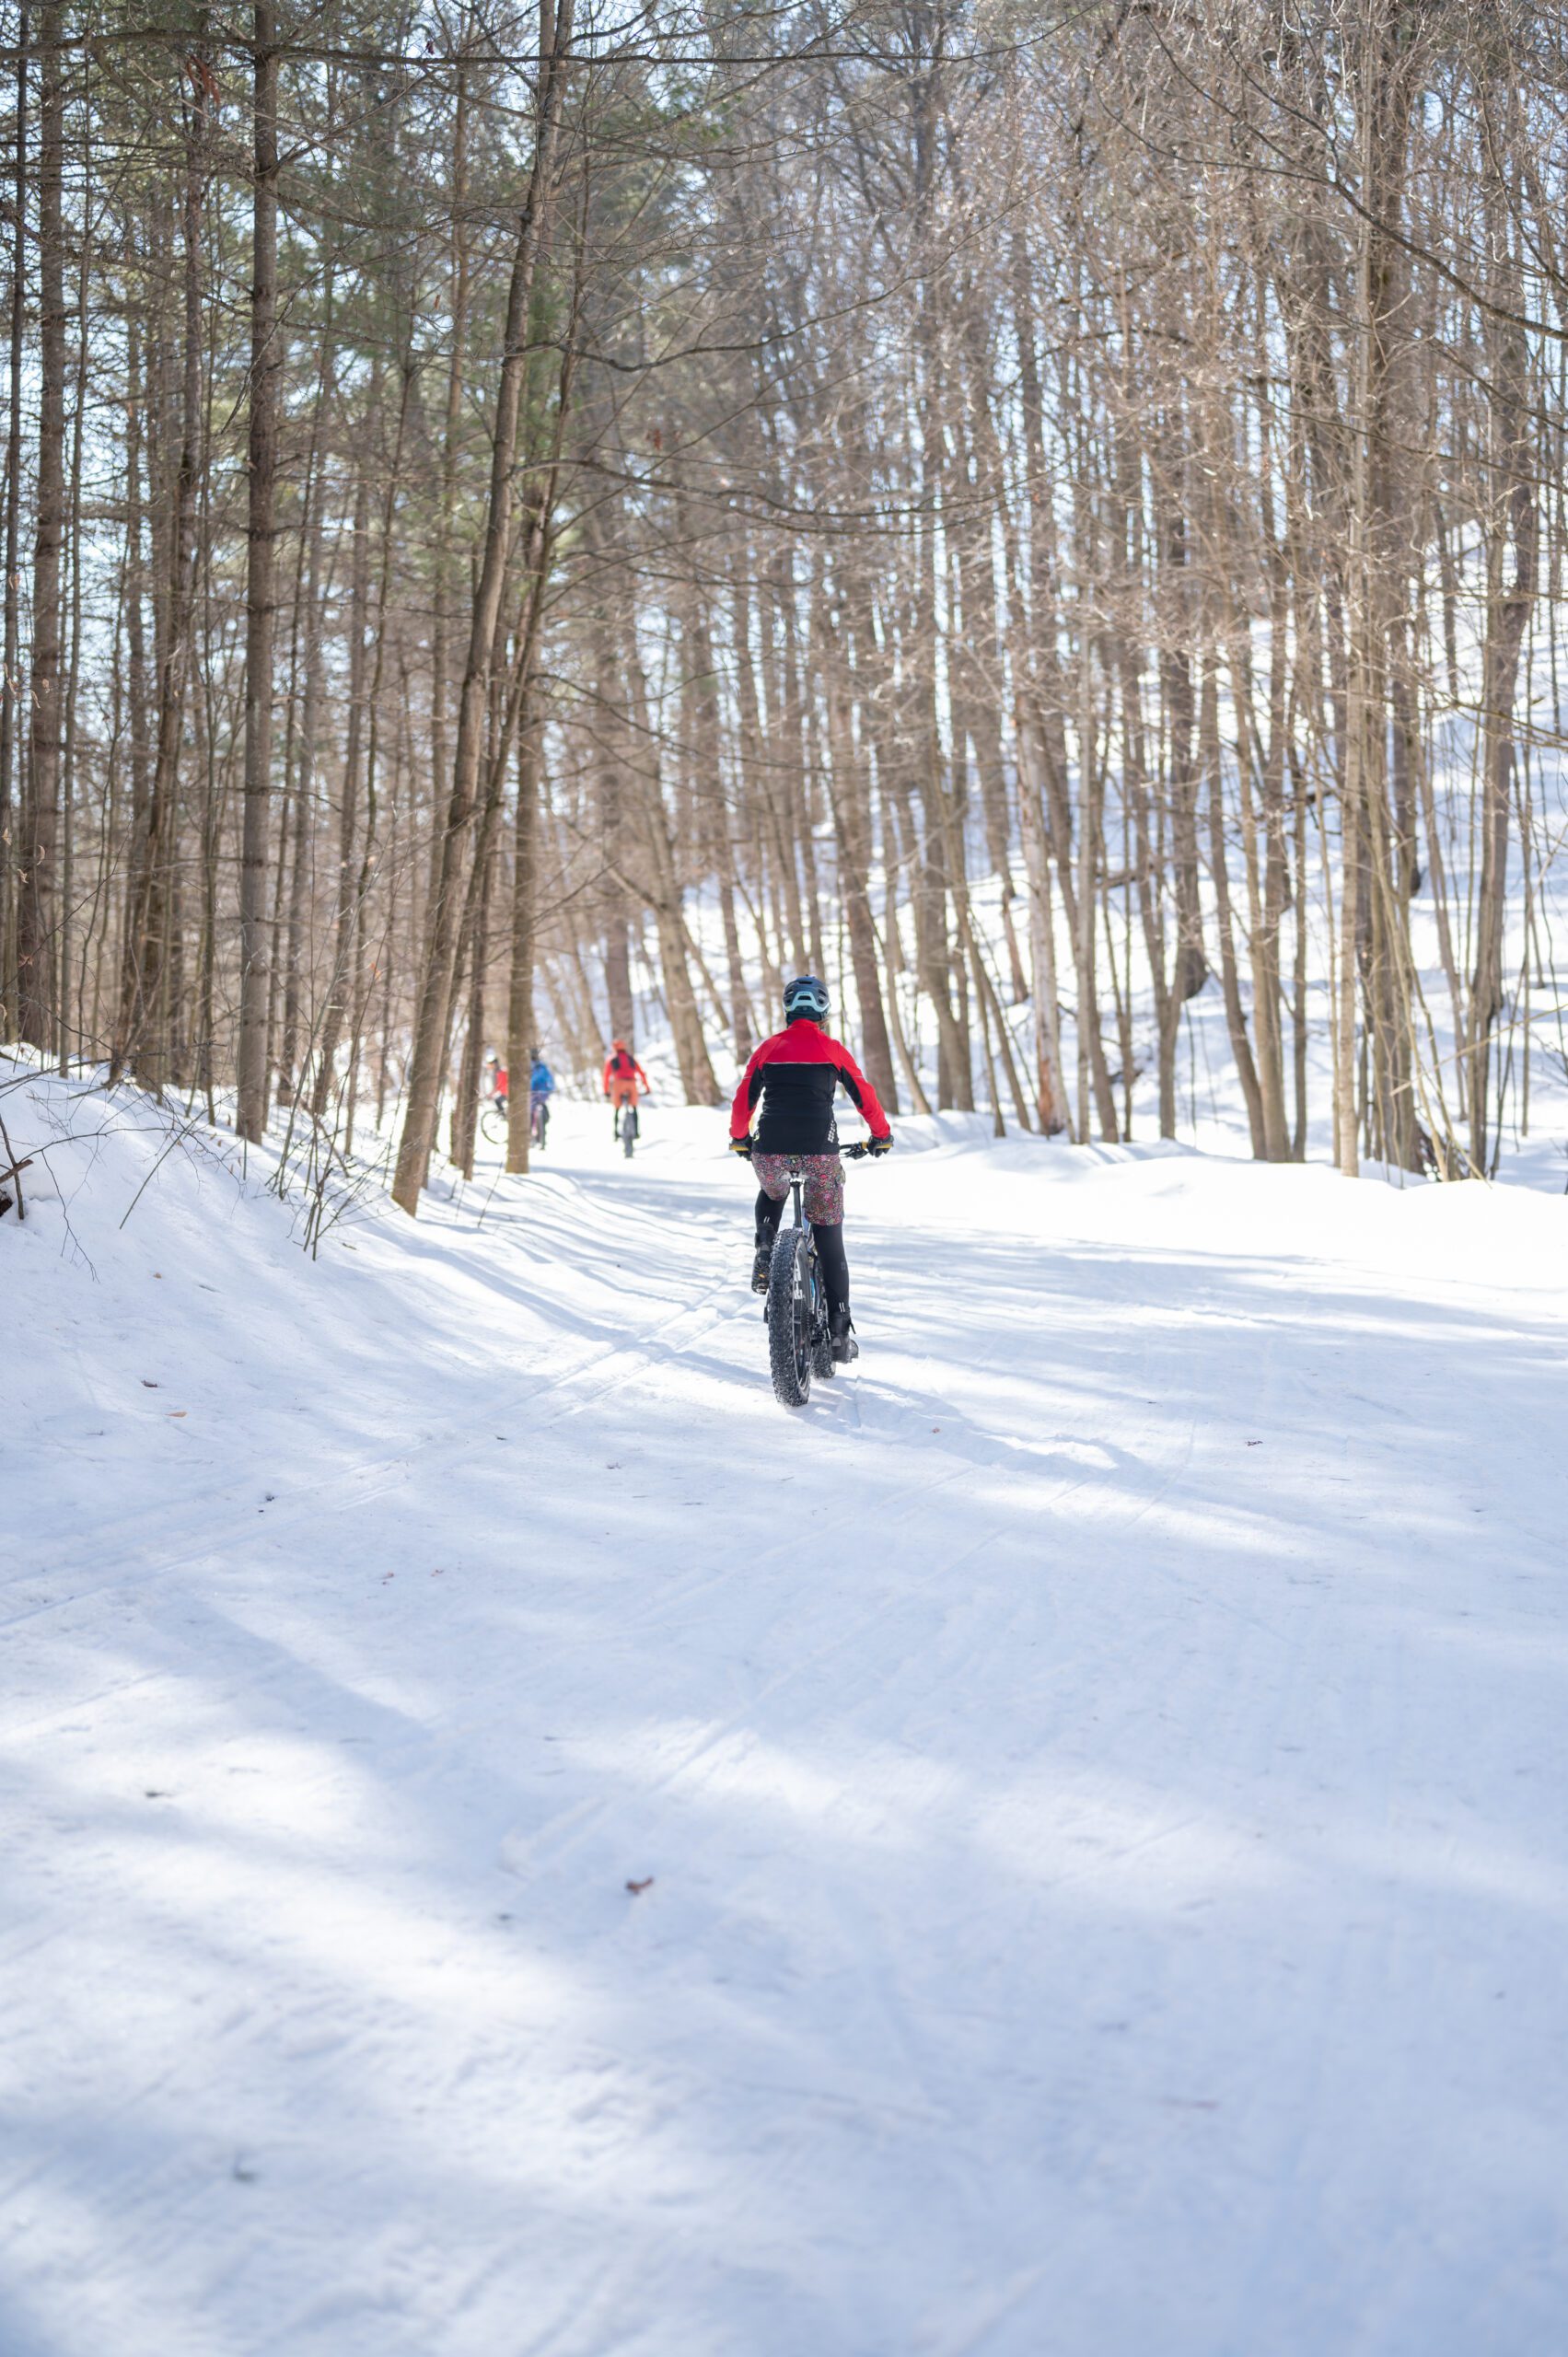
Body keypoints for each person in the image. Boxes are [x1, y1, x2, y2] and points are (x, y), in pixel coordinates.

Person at [728, 975, 892, 1363]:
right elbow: (865, 1096)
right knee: (829, 1233)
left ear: (788, 1010)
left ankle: (766, 1244)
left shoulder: (768, 1049)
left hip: (770, 1152)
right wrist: (880, 1135)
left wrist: (740, 1138)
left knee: (772, 1191)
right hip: (820, 1153)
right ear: (824, 1012)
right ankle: (839, 1331)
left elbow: (743, 1100)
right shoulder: (832, 1049)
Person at [603, 1039, 649, 1138]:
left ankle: (616, 1132)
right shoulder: (630, 1058)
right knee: (634, 1108)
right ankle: (636, 1132)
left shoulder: (612, 1059)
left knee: (617, 1108)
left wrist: (606, 1091)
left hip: (618, 1084)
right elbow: (641, 1073)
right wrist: (647, 1087)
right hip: (632, 1083)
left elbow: (606, 1076)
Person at [528, 1049, 554, 1144]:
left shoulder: (541, 1067)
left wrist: (550, 1089)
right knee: (531, 1115)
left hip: (540, 1094)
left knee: (542, 1116)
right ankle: (532, 1137)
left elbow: (549, 1079)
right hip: (534, 1094)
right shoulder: (529, 1067)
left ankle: (540, 1137)